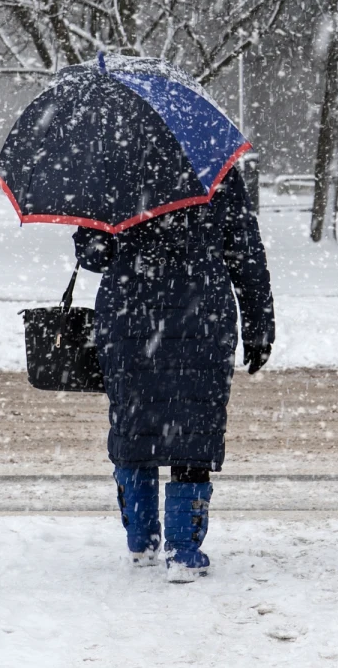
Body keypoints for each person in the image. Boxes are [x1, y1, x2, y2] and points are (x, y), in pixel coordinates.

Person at [73, 166, 275, 583]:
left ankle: (141, 540)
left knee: (135, 426)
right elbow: (245, 251)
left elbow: (93, 256)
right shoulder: (216, 172)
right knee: (193, 429)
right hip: (202, 314)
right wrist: (259, 325)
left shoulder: (114, 168)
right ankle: (184, 550)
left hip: (130, 315)